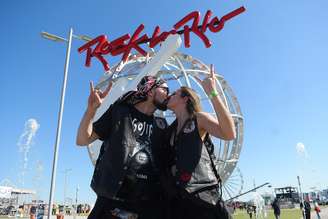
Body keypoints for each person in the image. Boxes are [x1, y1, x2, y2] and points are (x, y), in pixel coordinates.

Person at [76, 75, 170, 219]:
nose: (168, 94)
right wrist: (91, 110)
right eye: (165, 89)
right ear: (151, 91)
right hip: (112, 201)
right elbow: (82, 140)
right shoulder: (120, 112)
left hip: (146, 204)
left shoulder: (161, 125)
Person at [164, 64, 236, 219]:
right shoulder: (170, 130)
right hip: (181, 202)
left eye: (175, 93)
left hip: (205, 199)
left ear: (185, 98)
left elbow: (229, 133)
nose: (169, 96)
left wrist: (212, 92)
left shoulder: (199, 119)